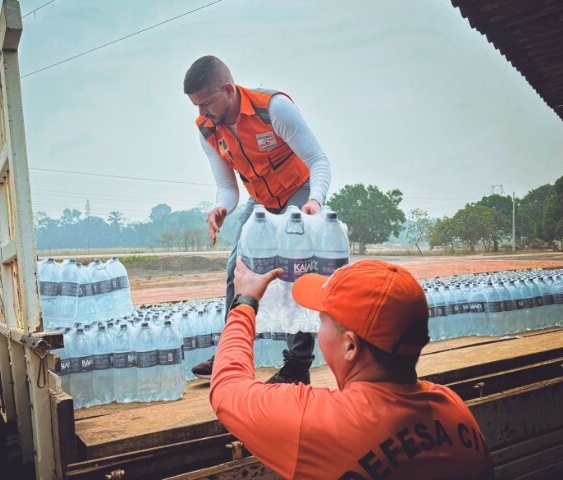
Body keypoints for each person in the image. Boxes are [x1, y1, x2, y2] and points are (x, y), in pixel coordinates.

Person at [210, 258, 495, 479]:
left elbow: (226, 387)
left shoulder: (317, 423)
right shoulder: (454, 408)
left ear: (350, 346)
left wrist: (245, 302)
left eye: (322, 322)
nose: (315, 332)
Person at [184, 55, 332, 384]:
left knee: (292, 271)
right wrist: (221, 208)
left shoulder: (273, 109)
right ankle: (231, 352)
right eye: (195, 106)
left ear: (228, 89)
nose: (201, 113)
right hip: (262, 201)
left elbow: (319, 160)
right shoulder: (208, 130)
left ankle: (297, 365)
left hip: (299, 190)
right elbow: (227, 188)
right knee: (236, 267)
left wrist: (314, 201)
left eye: (205, 103)